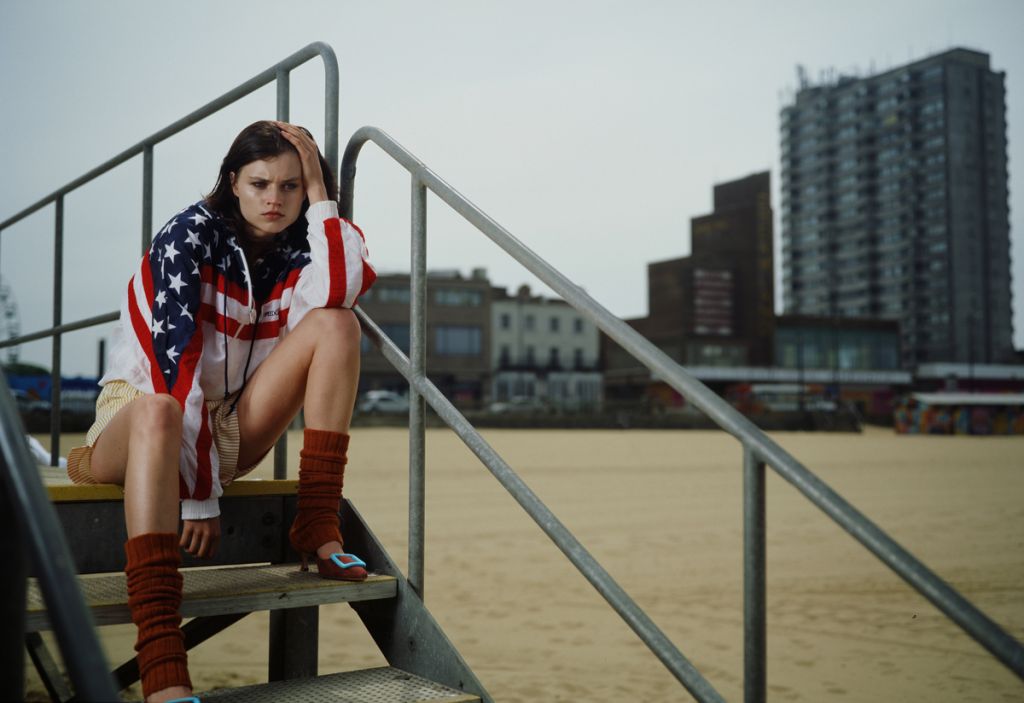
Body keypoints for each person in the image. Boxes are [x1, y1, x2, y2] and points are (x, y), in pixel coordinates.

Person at [65, 120, 376, 703]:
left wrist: (323, 200)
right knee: (158, 408)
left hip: (224, 423)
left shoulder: (303, 242)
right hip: (140, 415)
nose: (273, 199)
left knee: (337, 325)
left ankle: (316, 519)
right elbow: (172, 365)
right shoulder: (188, 235)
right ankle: (160, 655)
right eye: (260, 183)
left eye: (290, 186)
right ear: (232, 181)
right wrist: (201, 494)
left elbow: (339, 290)